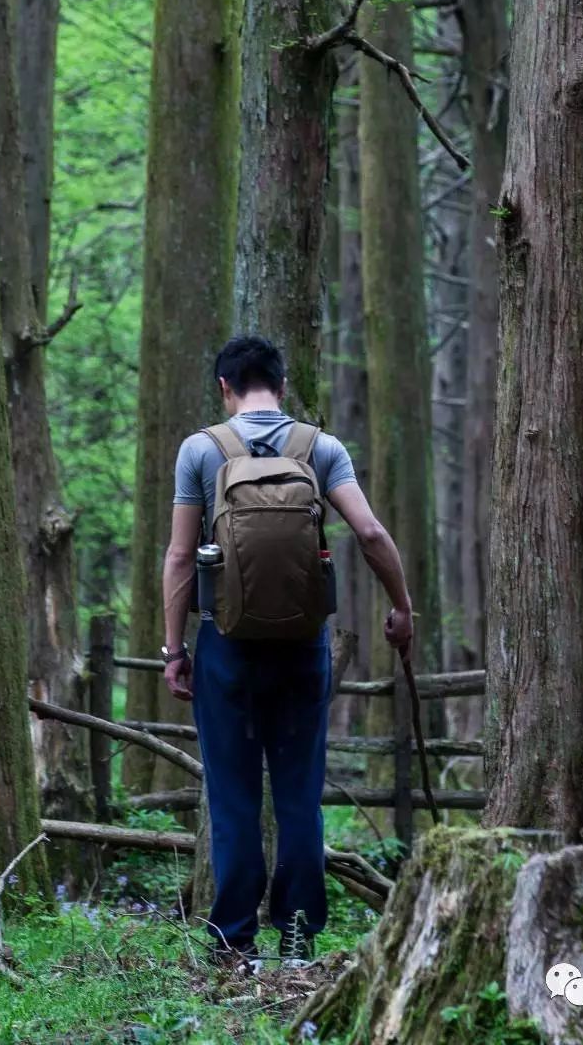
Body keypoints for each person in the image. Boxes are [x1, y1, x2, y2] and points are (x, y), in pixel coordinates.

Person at [161, 333, 416, 972]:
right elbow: (371, 532)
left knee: (234, 794)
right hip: (304, 648)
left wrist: (174, 648)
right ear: (282, 382)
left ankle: (234, 940)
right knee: (300, 793)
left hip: (227, 646)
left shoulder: (202, 450)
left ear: (224, 387)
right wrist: (402, 607)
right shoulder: (321, 448)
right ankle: (299, 939)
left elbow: (178, 556)